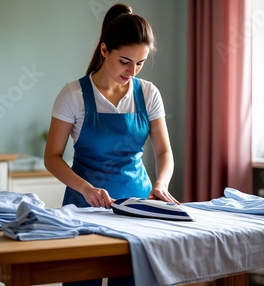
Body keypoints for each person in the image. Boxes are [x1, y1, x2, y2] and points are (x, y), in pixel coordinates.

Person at [44, 3, 177, 285]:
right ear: (105, 50)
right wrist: (85, 188)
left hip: (137, 209)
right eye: (125, 61)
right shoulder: (73, 95)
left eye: (140, 62)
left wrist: (161, 184)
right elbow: (52, 157)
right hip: (84, 209)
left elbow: (164, 151)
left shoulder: (149, 93)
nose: (132, 71)